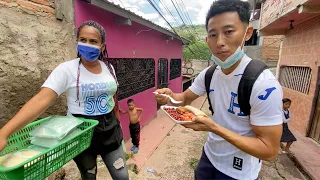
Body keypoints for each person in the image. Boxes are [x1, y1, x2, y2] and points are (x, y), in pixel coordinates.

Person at [155, 0, 283, 179]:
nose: (220, 42)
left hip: (239, 172)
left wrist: (215, 128)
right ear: (206, 39)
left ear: (247, 33)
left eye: (229, 32)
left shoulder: (263, 84)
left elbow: (269, 151)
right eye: (213, 35)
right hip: (209, 157)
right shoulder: (209, 74)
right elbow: (183, 98)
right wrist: (169, 97)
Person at [0, 20, 129, 180]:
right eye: (83, 40)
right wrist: (4, 133)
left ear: (102, 46)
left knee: (122, 177)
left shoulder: (109, 68)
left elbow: (113, 99)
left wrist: (118, 125)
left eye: (93, 41)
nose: (87, 45)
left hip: (111, 132)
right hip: (81, 134)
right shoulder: (66, 70)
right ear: (77, 42)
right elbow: (41, 100)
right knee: (88, 177)